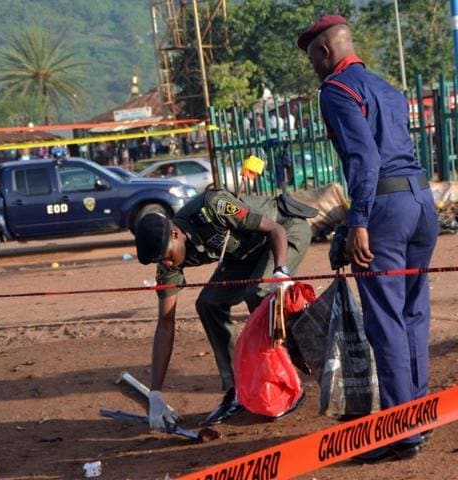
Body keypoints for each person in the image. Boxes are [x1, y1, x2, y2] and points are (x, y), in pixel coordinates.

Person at [298, 15, 438, 461]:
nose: (315, 69)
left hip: (384, 213)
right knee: (413, 312)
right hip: (421, 204)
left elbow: (363, 158)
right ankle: (421, 417)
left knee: (387, 321)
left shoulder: (336, 90)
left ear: (323, 52)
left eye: (313, 60)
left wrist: (357, 220)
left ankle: (401, 432)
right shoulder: (388, 88)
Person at [134, 189, 314, 430]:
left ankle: (287, 381)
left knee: (259, 293)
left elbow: (275, 230)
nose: (166, 263)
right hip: (243, 255)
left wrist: (281, 271)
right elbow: (165, 323)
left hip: (285, 231)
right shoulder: (166, 264)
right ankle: (237, 390)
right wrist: (155, 394)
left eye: (167, 256)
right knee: (208, 304)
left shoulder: (212, 208)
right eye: (161, 261)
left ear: (175, 234)